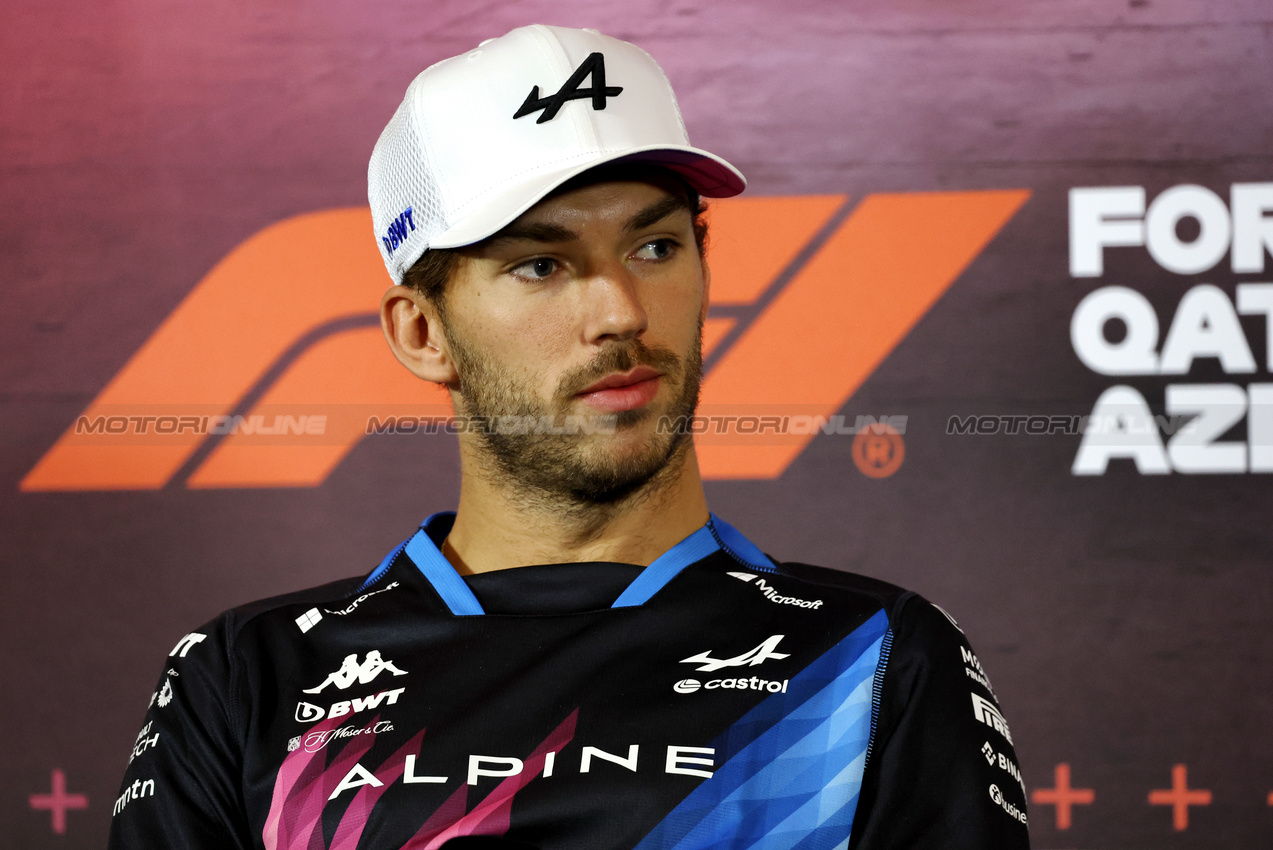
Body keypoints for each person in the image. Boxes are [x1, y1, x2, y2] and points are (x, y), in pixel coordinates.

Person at [109, 25, 1029, 849]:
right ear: (422, 333)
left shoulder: (871, 657)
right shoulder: (248, 677)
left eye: (655, 248)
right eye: (542, 265)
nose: (621, 312)